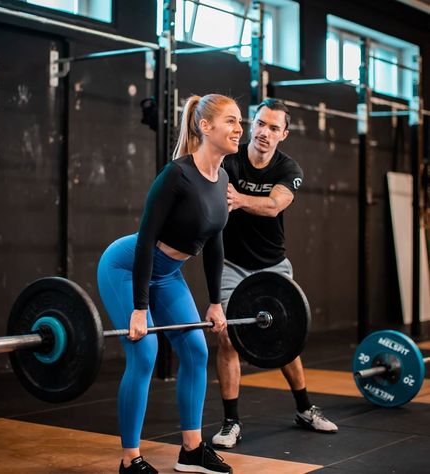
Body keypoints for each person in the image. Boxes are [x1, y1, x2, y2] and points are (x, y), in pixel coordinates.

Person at [97, 94, 243, 474]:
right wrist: (139, 308)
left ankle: (191, 451)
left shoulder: (222, 178)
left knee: (196, 350)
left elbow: (215, 242)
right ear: (205, 126)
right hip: (126, 267)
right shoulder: (176, 175)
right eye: (231, 121)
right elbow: (145, 240)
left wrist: (215, 303)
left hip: (167, 273)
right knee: (144, 352)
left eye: (240, 121)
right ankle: (131, 460)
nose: (239, 129)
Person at [211, 98, 338, 450]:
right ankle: (231, 422)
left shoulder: (288, 168)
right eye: (260, 124)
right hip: (230, 263)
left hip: (272, 263)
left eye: (273, 128)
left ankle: (304, 408)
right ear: (252, 124)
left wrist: (238, 200)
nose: (264, 133)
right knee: (225, 336)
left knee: (286, 337)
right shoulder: (230, 159)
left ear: (284, 134)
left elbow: (274, 206)